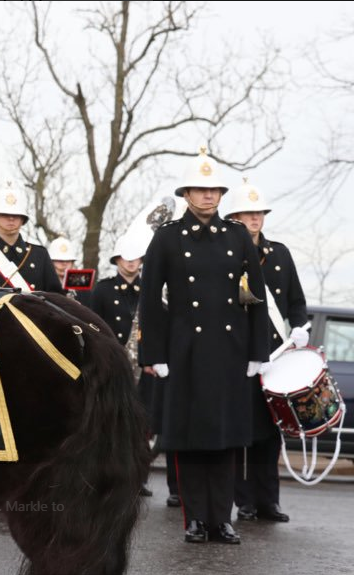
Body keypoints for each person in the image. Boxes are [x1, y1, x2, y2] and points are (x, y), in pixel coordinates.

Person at [139, 148, 270, 545]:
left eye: (214, 190)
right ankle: (196, 518)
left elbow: (256, 296)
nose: (208, 196)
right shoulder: (167, 238)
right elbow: (149, 299)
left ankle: (222, 518)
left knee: (226, 438)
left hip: (230, 350)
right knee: (191, 439)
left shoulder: (236, 236)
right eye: (200, 190)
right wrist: (154, 355)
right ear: (187, 194)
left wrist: (257, 352)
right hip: (185, 351)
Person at [223, 178, 308, 523]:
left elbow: (296, 300)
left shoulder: (280, 254)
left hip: (275, 356)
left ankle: (268, 501)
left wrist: (299, 327)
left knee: (271, 434)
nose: (255, 219)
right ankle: (244, 501)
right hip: (240, 356)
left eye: (259, 213)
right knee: (244, 432)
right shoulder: (227, 255)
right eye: (247, 213)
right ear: (235, 218)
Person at [89, 233, 152, 495]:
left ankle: (138, 478)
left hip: (145, 366)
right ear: (116, 259)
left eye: (136, 256)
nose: (131, 262)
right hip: (113, 366)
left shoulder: (150, 289)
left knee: (142, 425)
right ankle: (111, 478)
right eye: (126, 257)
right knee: (112, 424)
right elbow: (93, 327)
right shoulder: (103, 289)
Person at [0, 187, 62, 294]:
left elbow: (56, 297)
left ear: (23, 220)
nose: (11, 218)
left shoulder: (40, 255)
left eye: (16, 215)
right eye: (4, 214)